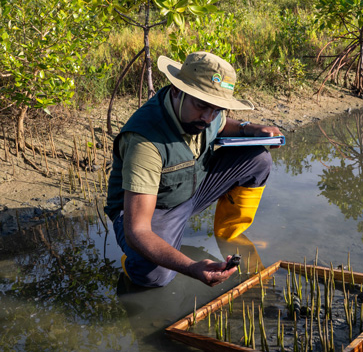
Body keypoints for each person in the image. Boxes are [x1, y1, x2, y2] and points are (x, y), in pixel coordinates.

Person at [105, 51, 282, 288]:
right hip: (155, 209)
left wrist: (249, 128)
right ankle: (133, 264)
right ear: (177, 90)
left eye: (217, 108)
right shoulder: (145, 141)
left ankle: (229, 234)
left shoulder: (206, 115)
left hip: (193, 188)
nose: (208, 117)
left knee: (258, 159)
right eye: (201, 106)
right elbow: (137, 230)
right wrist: (191, 266)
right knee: (154, 275)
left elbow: (220, 125)